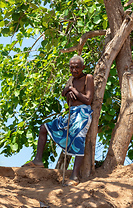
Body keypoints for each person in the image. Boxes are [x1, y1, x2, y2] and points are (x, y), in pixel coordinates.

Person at [22, 55, 94, 186]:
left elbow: (88, 99)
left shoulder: (88, 77)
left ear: (83, 67)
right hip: (71, 114)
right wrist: (68, 90)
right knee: (44, 127)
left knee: (78, 140)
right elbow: (63, 93)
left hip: (83, 114)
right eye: (71, 67)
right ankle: (38, 160)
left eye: (77, 67)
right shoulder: (70, 79)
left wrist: (73, 90)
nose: (74, 70)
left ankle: (74, 177)